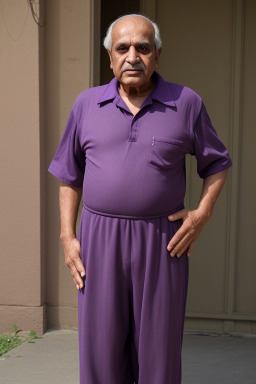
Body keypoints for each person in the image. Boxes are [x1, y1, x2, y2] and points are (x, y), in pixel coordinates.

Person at [48, 13, 232, 384]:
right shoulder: (86, 105)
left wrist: (201, 214)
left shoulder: (186, 103)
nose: (133, 56)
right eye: (123, 48)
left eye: (143, 48)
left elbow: (217, 162)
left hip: (163, 242)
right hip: (99, 241)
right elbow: (69, 175)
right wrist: (68, 237)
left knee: (158, 353)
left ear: (157, 56)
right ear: (110, 58)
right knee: (101, 349)